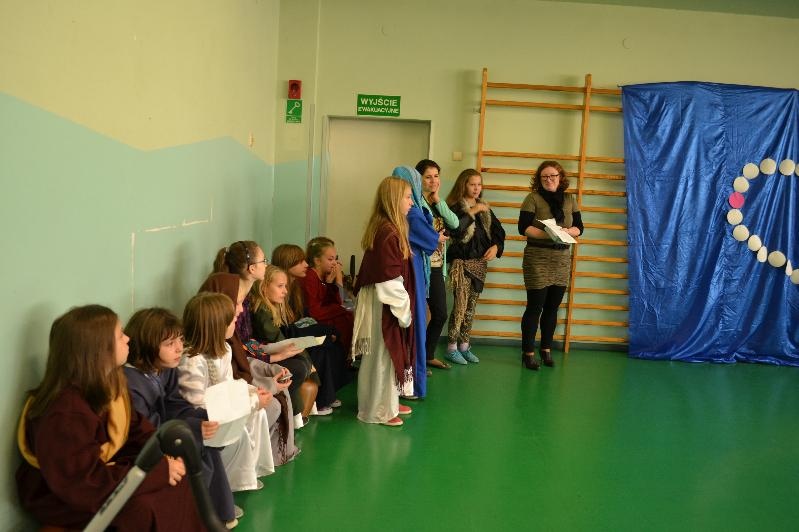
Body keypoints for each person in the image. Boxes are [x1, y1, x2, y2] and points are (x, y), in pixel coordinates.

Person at [16, 305, 203, 531]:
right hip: (60, 496)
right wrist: (157, 472)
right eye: (120, 335)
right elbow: (82, 484)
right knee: (144, 508)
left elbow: (136, 430)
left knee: (178, 480)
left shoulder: (109, 384)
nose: (128, 338)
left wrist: (164, 455)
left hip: (101, 477)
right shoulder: (65, 412)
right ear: (98, 350)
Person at [123, 307, 239, 528]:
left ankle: (217, 513)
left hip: (166, 432)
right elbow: (145, 429)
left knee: (208, 442)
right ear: (147, 346)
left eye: (180, 340)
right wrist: (194, 429)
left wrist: (202, 420)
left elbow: (175, 405)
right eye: (169, 344)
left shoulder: (163, 368)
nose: (179, 348)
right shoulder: (131, 383)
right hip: (144, 448)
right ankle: (201, 518)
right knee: (196, 447)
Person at [178, 292, 275, 492]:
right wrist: (251, 402)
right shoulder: (193, 361)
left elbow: (228, 385)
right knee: (244, 428)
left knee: (259, 414)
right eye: (231, 320)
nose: (235, 322)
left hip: (220, 409)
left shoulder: (224, 349)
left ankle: (247, 475)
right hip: (204, 420)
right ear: (216, 326)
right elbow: (197, 404)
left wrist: (253, 392)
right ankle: (228, 484)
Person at [212, 243, 314, 427]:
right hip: (238, 364)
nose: (267, 264)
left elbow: (247, 341)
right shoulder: (233, 297)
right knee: (295, 367)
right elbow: (238, 348)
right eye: (264, 261)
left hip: (248, 357)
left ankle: (292, 417)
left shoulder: (245, 298)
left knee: (298, 362)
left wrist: (272, 352)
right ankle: (289, 418)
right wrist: (273, 356)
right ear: (252, 268)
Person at [199, 272, 300, 456]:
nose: (240, 310)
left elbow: (242, 365)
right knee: (272, 405)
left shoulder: (227, 341)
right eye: (237, 303)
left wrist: (270, 371)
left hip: (239, 393)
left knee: (285, 379)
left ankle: (274, 454)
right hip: (216, 415)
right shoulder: (200, 356)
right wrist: (263, 388)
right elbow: (217, 393)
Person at [353, 176, 415, 426]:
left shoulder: (387, 228)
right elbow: (389, 279)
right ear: (394, 200)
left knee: (386, 355)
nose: (411, 202)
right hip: (384, 303)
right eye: (408, 197)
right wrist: (405, 311)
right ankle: (377, 410)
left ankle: (388, 402)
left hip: (381, 300)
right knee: (383, 354)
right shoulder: (388, 233)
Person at [251, 265, 350, 414]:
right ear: (264, 288)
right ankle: (320, 402)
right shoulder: (263, 312)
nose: (285, 291)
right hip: (273, 353)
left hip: (285, 345)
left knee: (329, 344)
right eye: (280, 286)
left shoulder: (274, 307)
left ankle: (325, 398)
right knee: (319, 352)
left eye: (285, 286)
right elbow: (281, 341)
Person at [518, 160, 583, 370]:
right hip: (537, 256)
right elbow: (523, 227)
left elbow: (579, 227)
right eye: (544, 176)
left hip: (561, 258)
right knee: (535, 306)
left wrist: (567, 232)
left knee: (552, 307)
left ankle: (546, 349)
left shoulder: (570, 199)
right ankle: (528, 352)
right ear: (539, 179)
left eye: (553, 175)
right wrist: (550, 234)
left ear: (560, 177)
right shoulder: (532, 198)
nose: (549, 179)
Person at [445, 168, 506, 364]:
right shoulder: (454, 207)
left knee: (471, 307)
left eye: (479, 184)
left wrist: (496, 246)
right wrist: (473, 211)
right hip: (461, 264)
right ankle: (451, 347)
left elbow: (499, 231)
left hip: (479, 264)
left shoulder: (484, 208)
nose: (476, 188)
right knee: (460, 307)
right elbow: (455, 229)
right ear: (463, 185)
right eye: (472, 184)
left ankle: (464, 346)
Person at [391, 165, 441, 399]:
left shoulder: (407, 210)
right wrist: (436, 235)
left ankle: (407, 381)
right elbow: (430, 240)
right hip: (413, 272)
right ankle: (412, 383)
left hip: (408, 272)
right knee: (415, 326)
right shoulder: (412, 212)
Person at [416, 159, 461, 371]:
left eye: (436, 176)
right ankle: (418, 360)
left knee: (439, 313)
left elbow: (455, 223)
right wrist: (436, 237)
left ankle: (427, 355)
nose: (433, 180)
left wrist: (437, 200)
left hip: (437, 266)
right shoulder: (416, 203)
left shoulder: (435, 202)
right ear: (419, 179)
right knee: (420, 316)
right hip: (422, 266)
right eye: (428, 177)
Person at [300, 237, 355, 355]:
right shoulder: (310, 277)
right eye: (330, 259)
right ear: (317, 261)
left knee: (347, 313)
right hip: (311, 321)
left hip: (322, 316)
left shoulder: (325, 276)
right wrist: (338, 279)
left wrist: (331, 282)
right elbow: (314, 311)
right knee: (345, 315)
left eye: (335, 259)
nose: (335, 263)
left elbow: (344, 303)